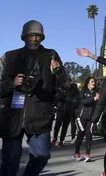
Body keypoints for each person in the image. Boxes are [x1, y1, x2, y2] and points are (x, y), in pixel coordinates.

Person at [0, 20, 70, 176]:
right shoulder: (9, 56)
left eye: (38, 35)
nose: (34, 38)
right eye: (31, 35)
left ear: (42, 37)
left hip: (40, 116)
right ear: (24, 36)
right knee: (10, 162)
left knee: (42, 155)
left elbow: (65, 84)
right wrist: (12, 83)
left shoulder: (50, 55)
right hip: (12, 116)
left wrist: (58, 71)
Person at [74, 77, 99, 162]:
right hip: (81, 118)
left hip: (90, 119)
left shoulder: (96, 93)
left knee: (89, 136)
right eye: (92, 81)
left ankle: (88, 155)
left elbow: (98, 106)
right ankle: (77, 153)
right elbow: (84, 102)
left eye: (94, 82)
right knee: (80, 136)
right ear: (87, 83)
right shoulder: (83, 91)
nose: (93, 83)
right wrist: (93, 99)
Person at [51, 83, 80, 148]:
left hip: (69, 110)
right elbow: (57, 97)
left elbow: (77, 100)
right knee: (57, 125)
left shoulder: (74, 89)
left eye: (68, 82)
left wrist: (71, 102)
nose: (66, 83)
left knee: (65, 126)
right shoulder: (60, 88)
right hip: (60, 110)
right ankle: (55, 138)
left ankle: (61, 140)